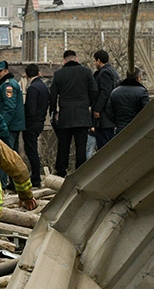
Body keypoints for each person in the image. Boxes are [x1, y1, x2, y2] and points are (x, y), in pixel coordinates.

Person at [48, 49, 97, 177]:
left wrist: (53, 112)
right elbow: (94, 91)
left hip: (65, 116)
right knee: (81, 146)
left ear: (64, 61)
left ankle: (61, 172)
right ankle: (80, 173)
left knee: (63, 146)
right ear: (77, 59)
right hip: (82, 115)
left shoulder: (58, 74)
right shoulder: (86, 72)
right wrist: (88, 105)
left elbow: (53, 95)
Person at [22, 63, 49, 188]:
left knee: (31, 150)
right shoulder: (43, 86)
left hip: (32, 124)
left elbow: (30, 109)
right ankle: (36, 176)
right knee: (34, 150)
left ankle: (35, 178)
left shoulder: (33, 88)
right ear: (38, 73)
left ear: (27, 75)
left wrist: (25, 122)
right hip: (40, 121)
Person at [0, 61, 25, 153]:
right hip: (11, 125)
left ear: (6, 71)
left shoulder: (7, 85)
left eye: (0, 71)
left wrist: (3, 125)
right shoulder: (3, 84)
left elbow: (10, 107)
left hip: (9, 126)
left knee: (6, 154)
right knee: (12, 154)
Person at [91, 49, 121, 149]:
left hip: (104, 117)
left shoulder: (104, 73)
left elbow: (105, 92)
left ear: (98, 60)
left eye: (95, 61)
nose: (95, 63)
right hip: (110, 116)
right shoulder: (113, 71)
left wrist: (97, 109)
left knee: (104, 145)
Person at [107, 71, 150, 136]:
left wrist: (117, 121)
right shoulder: (142, 91)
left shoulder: (115, 92)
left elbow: (109, 110)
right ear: (138, 78)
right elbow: (146, 110)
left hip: (120, 126)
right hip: (137, 128)